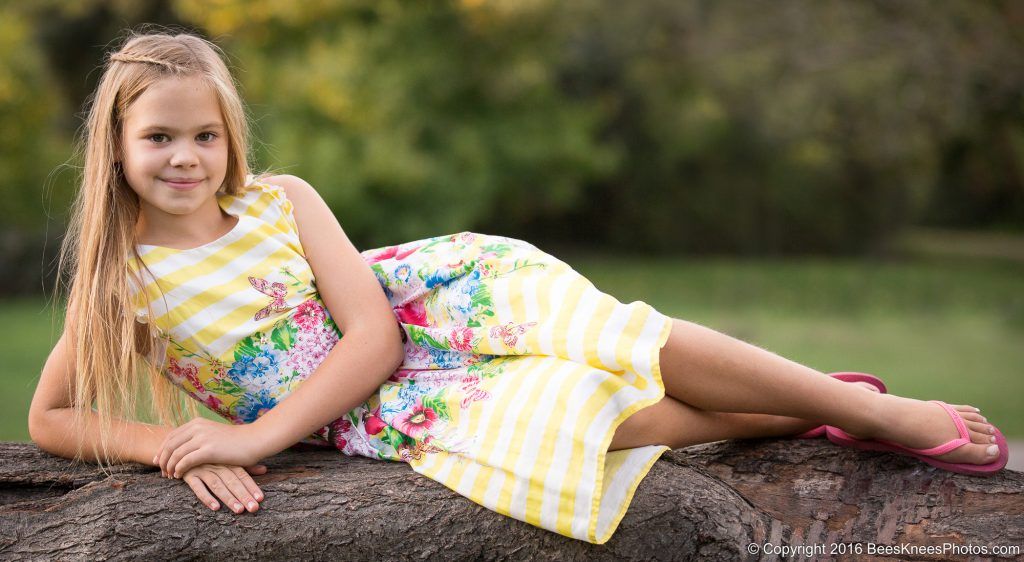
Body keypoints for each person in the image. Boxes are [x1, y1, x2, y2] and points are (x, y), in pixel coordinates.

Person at [28, 30, 1009, 545]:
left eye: (204, 133)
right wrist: (172, 444)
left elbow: (371, 332)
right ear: (115, 143)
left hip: (428, 305)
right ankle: (810, 415)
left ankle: (866, 409)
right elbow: (52, 417)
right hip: (377, 413)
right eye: (159, 136)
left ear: (229, 134)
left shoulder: (281, 199)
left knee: (620, 339)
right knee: (593, 417)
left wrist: (249, 436)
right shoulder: (120, 281)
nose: (185, 156)